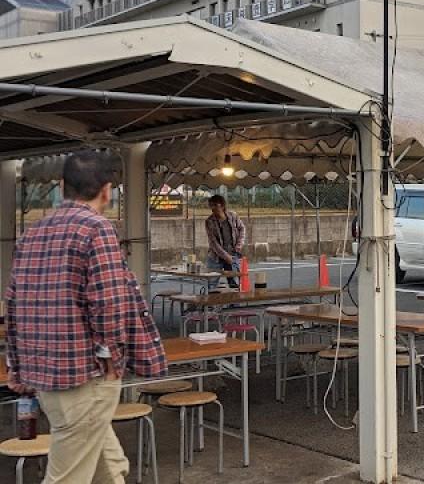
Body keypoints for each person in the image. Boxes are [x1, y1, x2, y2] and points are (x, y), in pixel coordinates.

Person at [5, 150, 167, 484]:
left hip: (45, 375)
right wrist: (110, 358)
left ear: (62, 185)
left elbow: (13, 306)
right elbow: (108, 303)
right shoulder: (97, 229)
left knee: (110, 465)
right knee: (67, 476)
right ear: (107, 190)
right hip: (85, 376)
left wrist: (16, 368)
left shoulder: (31, 234)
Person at [205, 194, 246, 288]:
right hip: (215, 257)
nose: (213, 208)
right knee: (211, 285)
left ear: (222, 205)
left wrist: (238, 246)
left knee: (234, 285)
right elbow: (213, 242)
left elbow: (242, 228)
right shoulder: (209, 221)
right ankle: (212, 302)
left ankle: (234, 303)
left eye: (215, 205)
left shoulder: (233, 216)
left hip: (232, 254)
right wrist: (225, 256)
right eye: (211, 205)